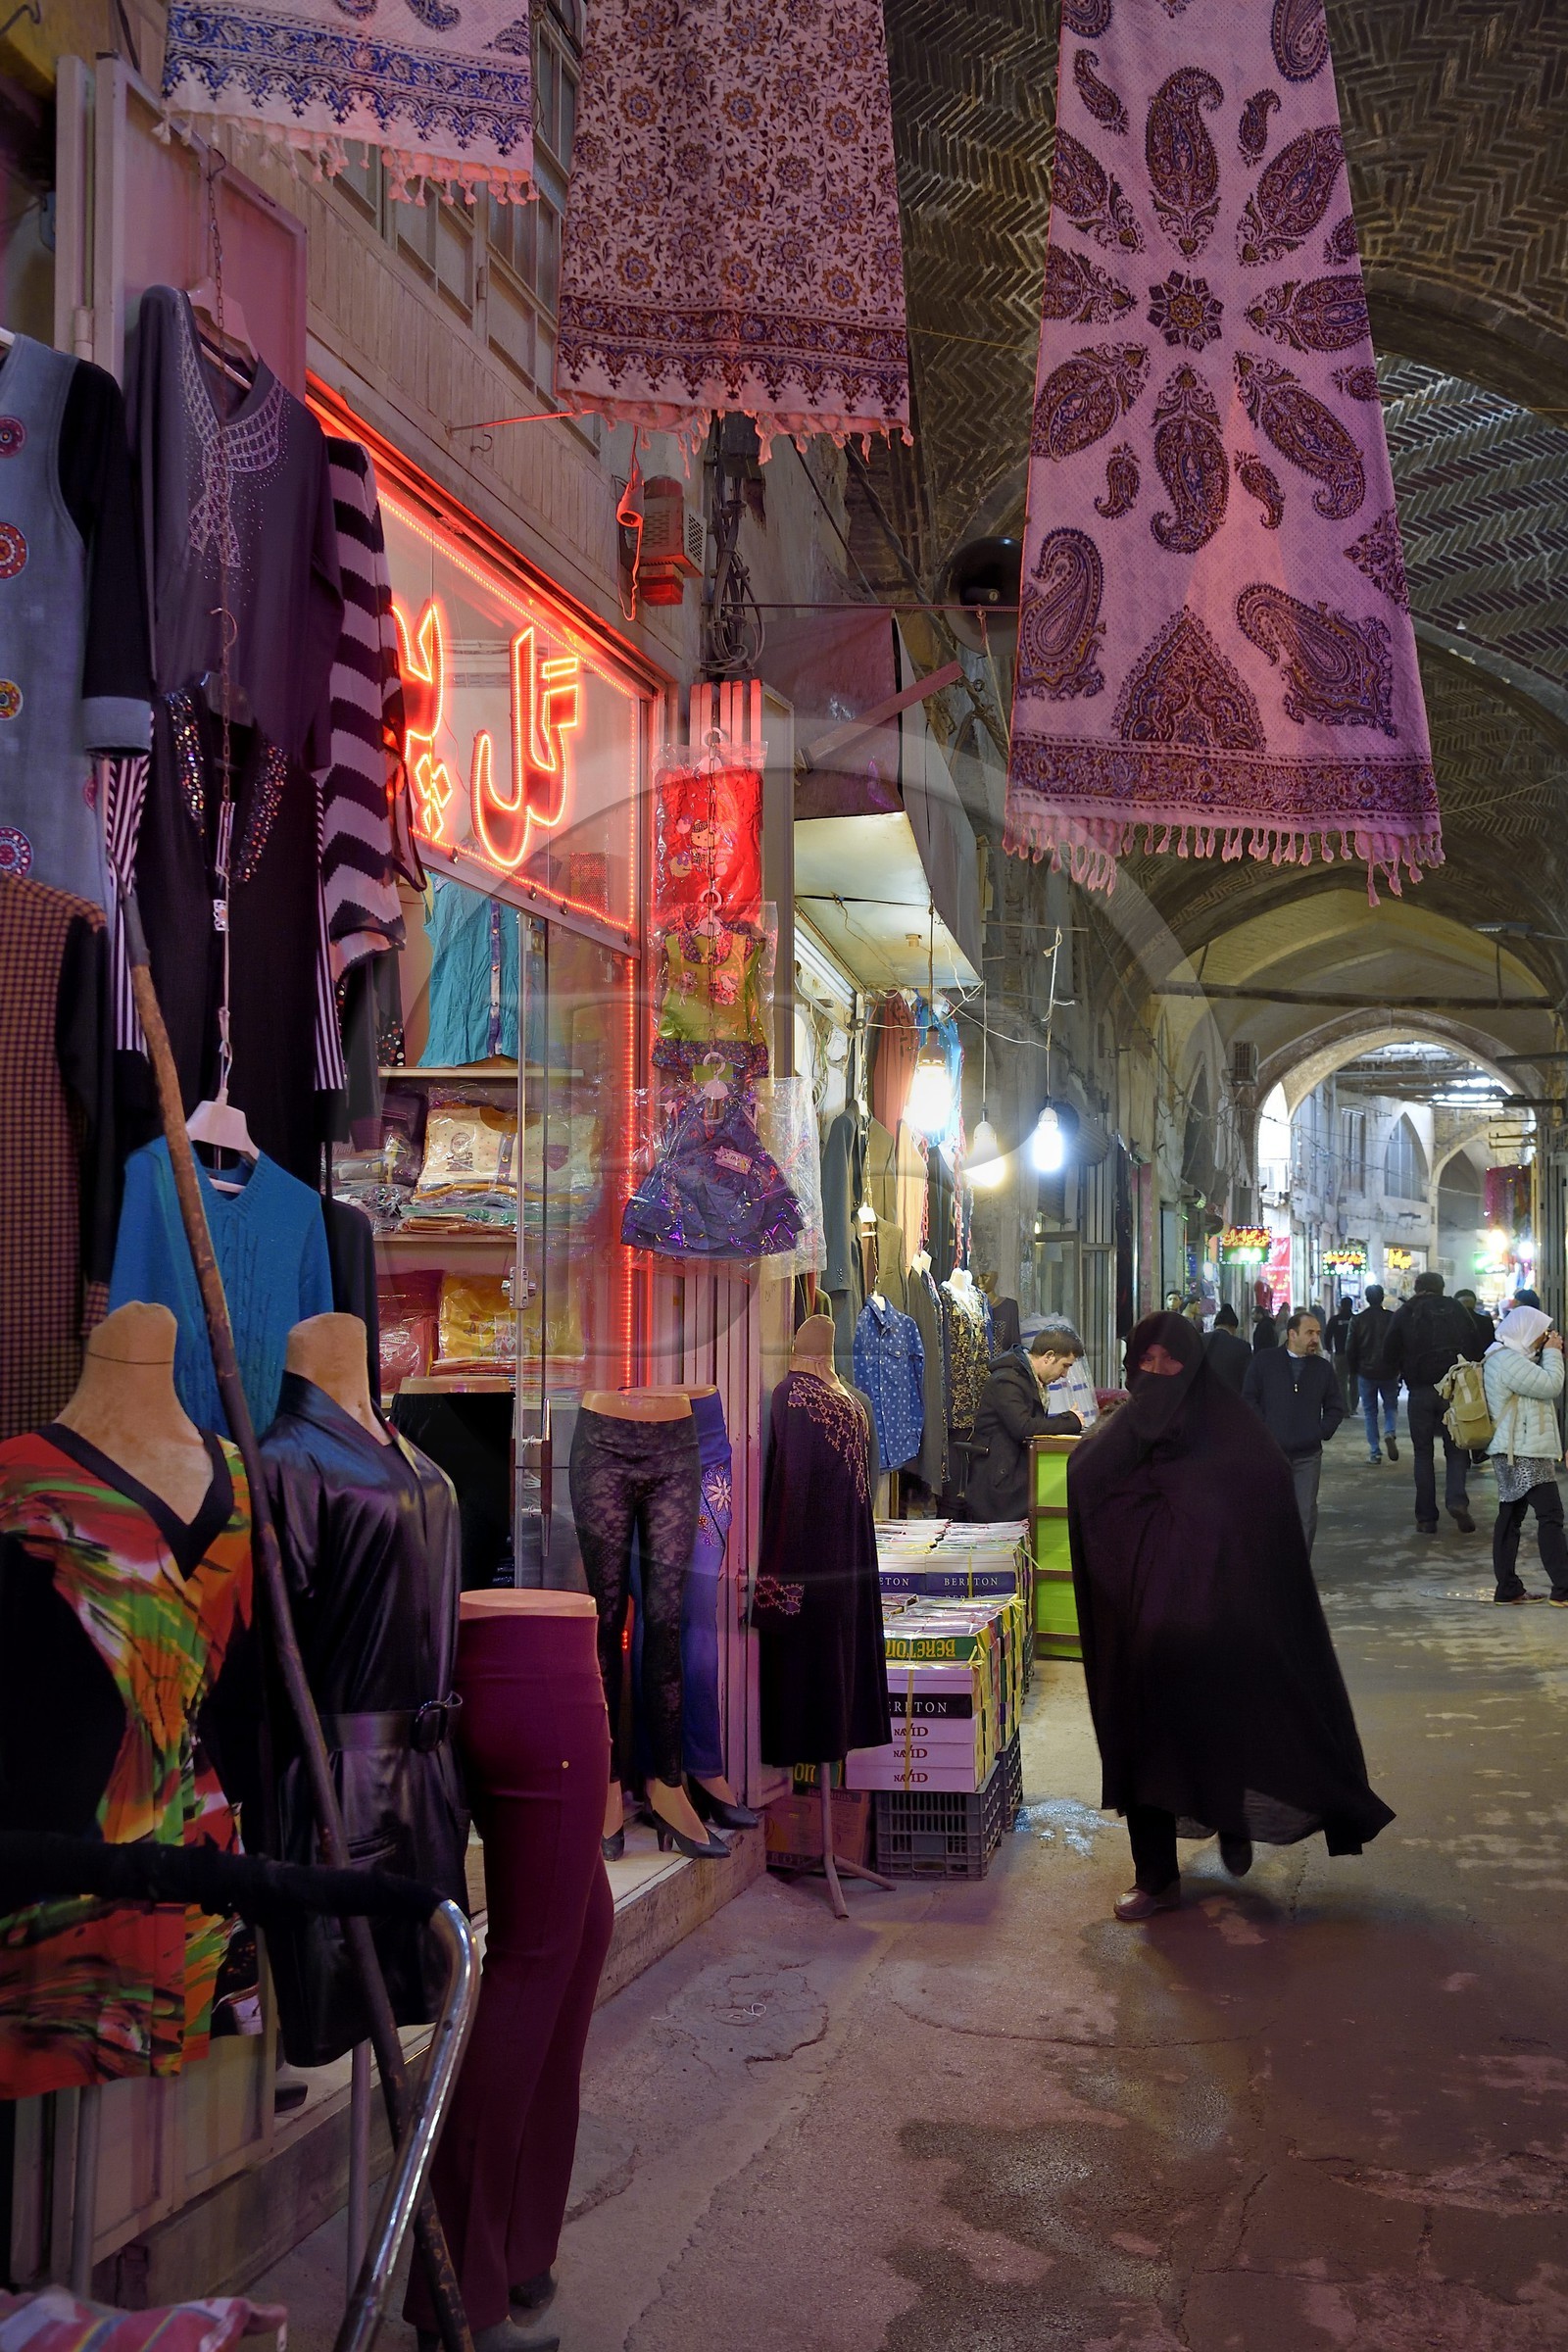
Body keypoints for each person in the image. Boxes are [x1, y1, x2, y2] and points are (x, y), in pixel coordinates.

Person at [1067, 1312, 1394, 1921]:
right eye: (1147, 1362)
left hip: (1224, 1630)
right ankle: (1156, 1878)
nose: (1159, 1373)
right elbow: (1086, 1481)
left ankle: (1232, 1815)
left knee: (1230, 1729)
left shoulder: (1238, 1438)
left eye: (1171, 1362)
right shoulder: (1128, 1433)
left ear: (1195, 1366)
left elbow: (1270, 1530)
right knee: (1149, 1748)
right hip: (1149, 1634)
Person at [1382, 1272, 1486, 1535]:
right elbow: (1475, 1346)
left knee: (1423, 1455)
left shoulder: (1405, 1312)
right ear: (1441, 1289)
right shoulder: (1457, 1309)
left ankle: (1427, 1518)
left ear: (1417, 1289)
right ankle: (1457, 1500)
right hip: (1454, 1391)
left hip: (1419, 1391)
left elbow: (1389, 1352)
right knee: (1457, 1449)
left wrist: (1399, 1372)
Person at [1482, 1306, 1568, 1605]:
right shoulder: (1506, 1360)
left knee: (1510, 1517)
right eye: (1541, 1333)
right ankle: (1563, 1587)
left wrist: (1549, 1353)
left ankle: (1507, 1587)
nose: (1544, 1339)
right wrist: (1554, 1353)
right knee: (1551, 1516)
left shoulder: (1506, 1357)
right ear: (1525, 1330)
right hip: (1522, 1451)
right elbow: (1551, 1384)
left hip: (1514, 1448)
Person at [1242, 1309, 1345, 1555]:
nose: (1315, 1339)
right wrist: (1264, 1429)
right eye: (1309, 1333)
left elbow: (1335, 1406)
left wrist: (1319, 1431)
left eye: (1318, 1333)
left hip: (1307, 1455)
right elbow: (1248, 1398)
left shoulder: (1322, 1369)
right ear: (1292, 1334)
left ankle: (1298, 1570)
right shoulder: (1265, 1362)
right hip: (1269, 1453)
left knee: (1305, 1513)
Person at [964, 1320, 1085, 1521]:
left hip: (1013, 1476)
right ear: (1048, 1357)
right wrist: (1070, 1421)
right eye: (1065, 1366)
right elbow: (1023, 1427)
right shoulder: (1007, 1380)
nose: (1065, 1374)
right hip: (999, 1484)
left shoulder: (1027, 1379)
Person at [1346, 1283, 1399, 1465]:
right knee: (1391, 1406)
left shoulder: (1358, 1320)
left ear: (1367, 1299)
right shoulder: (1392, 1318)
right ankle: (1390, 1431)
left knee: (1370, 1412)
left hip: (1366, 1371)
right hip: (1389, 1370)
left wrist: (1353, 1369)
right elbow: (1400, 1345)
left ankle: (1375, 1452)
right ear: (1382, 1297)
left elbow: (1350, 1347)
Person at [1204, 1303, 1251, 1395]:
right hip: (1229, 1399)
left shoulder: (1199, 1339)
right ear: (1233, 1327)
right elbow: (1247, 1380)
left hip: (1201, 1397)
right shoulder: (1241, 1346)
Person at [1326, 1298, 1354, 1408]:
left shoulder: (1335, 1320)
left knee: (1341, 1381)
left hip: (1340, 1353)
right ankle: (1353, 1406)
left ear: (1341, 1306)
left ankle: (1345, 1408)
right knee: (1354, 1380)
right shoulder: (1356, 1319)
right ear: (1351, 1306)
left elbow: (1328, 1335)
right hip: (1355, 1355)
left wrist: (1328, 1348)